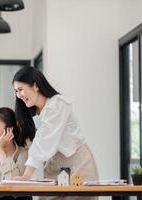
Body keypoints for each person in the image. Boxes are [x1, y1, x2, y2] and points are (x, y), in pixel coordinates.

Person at [12, 67, 98, 200]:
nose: (19, 95)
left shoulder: (58, 104)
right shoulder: (33, 112)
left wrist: (26, 175)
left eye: (21, 89)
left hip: (78, 162)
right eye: (16, 91)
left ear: (35, 85)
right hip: (54, 163)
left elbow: (43, 140)